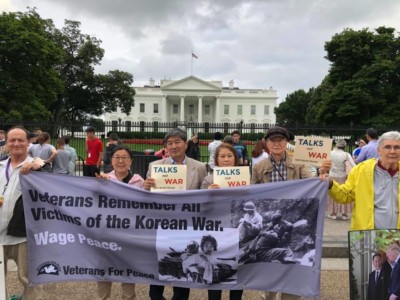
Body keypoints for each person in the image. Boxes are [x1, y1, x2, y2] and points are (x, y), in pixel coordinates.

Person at [251, 126, 330, 300]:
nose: (277, 143)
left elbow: (312, 183)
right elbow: (251, 193)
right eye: (273, 140)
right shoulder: (258, 167)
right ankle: (269, 294)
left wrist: (321, 175)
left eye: (281, 140)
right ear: (267, 143)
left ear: (287, 142)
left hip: (291, 218)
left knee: (292, 279)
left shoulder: (298, 164)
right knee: (270, 277)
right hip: (272, 222)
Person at [144, 128, 207, 300]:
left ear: (186, 144)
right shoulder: (155, 166)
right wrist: (146, 186)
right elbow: (147, 199)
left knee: (183, 268)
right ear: (165, 147)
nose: (173, 146)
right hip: (162, 226)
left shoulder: (200, 167)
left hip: (186, 227)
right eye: (169, 143)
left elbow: (205, 196)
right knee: (159, 268)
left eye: (177, 142)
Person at [0, 127, 44, 299]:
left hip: (23, 234)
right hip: (0, 233)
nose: (16, 144)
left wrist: (37, 167)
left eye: (20, 140)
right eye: (12, 140)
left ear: (28, 143)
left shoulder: (35, 166)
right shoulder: (1, 165)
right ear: (6, 143)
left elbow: (52, 185)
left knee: (29, 279)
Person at [96, 146, 144, 300]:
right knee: (104, 272)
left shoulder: (139, 181)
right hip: (107, 233)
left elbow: (147, 205)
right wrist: (98, 187)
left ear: (131, 161)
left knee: (128, 271)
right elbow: (91, 203)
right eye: (117, 157)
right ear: (111, 160)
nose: (121, 161)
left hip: (129, 234)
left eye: (125, 157)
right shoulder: (103, 180)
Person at [327, 131, 400, 230]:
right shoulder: (362, 170)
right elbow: (345, 195)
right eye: (387, 147)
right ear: (379, 150)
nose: (392, 151)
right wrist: (331, 184)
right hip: (367, 235)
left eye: (397, 147)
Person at [201, 142, 244, 300]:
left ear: (235, 158)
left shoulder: (245, 177)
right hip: (216, 230)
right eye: (222, 156)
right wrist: (208, 194)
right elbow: (200, 207)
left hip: (236, 230)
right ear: (216, 159)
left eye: (229, 156)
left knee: (237, 269)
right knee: (215, 268)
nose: (226, 159)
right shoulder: (208, 179)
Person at [326, 140, 355, 220]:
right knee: (343, 193)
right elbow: (354, 165)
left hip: (332, 176)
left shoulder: (330, 153)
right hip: (342, 176)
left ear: (336, 145)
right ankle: (344, 214)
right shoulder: (346, 155)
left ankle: (333, 213)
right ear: (344, 146)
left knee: (332, 195)